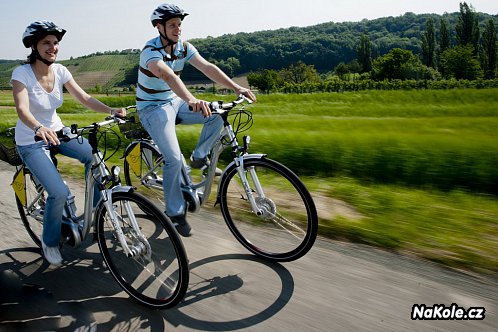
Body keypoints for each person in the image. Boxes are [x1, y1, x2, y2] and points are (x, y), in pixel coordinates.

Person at [11, 21, 126, 266]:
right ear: (34, 46)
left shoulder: (61, 71)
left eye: (55, 43)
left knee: (94, 157)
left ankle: (95, 211)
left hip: (58, 132)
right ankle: (50, 241)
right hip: (31, 140)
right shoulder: (21, 73)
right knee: (59, 193)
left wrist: (111, 110)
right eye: (46, 43)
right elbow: (22, 109)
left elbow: (84, 97)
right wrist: (38, 128)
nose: (53, 47)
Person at [136, 3, 256, 237]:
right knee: (172, 158)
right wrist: (191, 98)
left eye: (179, 25)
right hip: (152, 108)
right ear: (158, 27)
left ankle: (199, 157)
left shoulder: (183, 47)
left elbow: (207, 67)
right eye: (172, 25)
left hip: (175, 101)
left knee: (218, 114)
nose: (178, 29)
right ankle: (174, 211)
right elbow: (167, 75)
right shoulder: (150, 51)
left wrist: (236, 87)